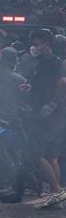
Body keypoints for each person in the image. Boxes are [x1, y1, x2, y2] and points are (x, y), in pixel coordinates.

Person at [23, 29, 65, 197]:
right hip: (51, 115)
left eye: (36, 44)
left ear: (47, 44)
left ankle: (55, 189)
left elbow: (62, 83)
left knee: (36, 153)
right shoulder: (38, 63)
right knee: (52, 156)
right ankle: (58, 192)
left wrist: (52, 105)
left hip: (50, 116)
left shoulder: (55, 64)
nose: (33, 47)